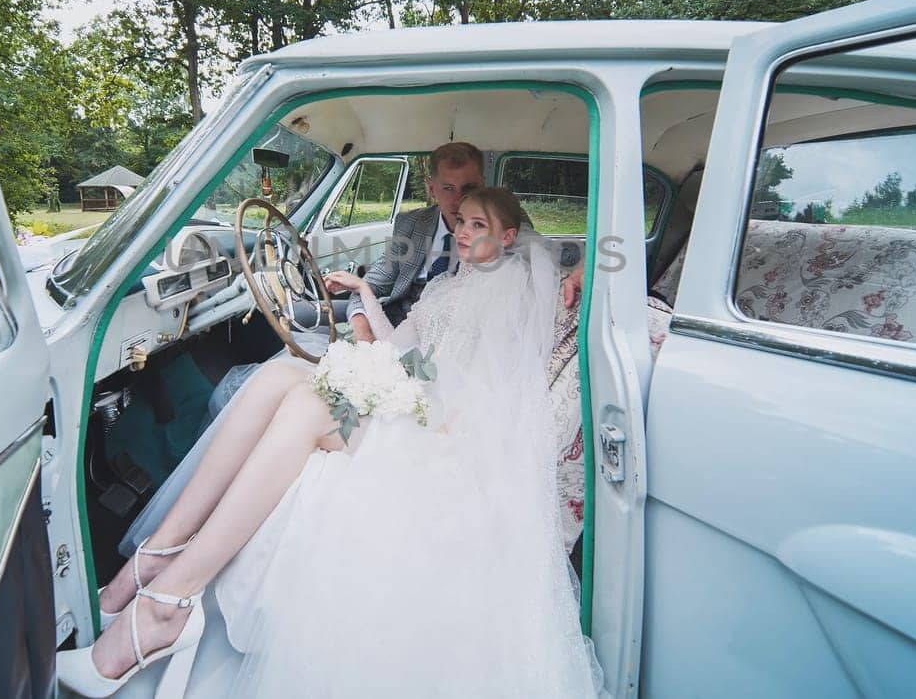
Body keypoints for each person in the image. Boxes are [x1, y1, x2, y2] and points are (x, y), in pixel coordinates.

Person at [59, 187, 599, 698]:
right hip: (405, 400)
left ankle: (167, 606)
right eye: (460, 221)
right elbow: (403, 349)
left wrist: (400, 395)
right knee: (278, 378)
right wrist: (365, 303)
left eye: (478, 225)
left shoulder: (512, 288)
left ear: (507, 238)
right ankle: (159, 556)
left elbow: (489, 390)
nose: (462, 232)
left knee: (308, 405)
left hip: (442, 435)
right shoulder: (445, 285)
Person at [344, 141, 485, 341]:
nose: (459, 199)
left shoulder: (501, 225)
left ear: (483, 185)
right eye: (448, 188)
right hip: (393, 325)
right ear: (431, 189)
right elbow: (372, 283)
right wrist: (362, 329)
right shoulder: (411, 224)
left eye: (469, 187)